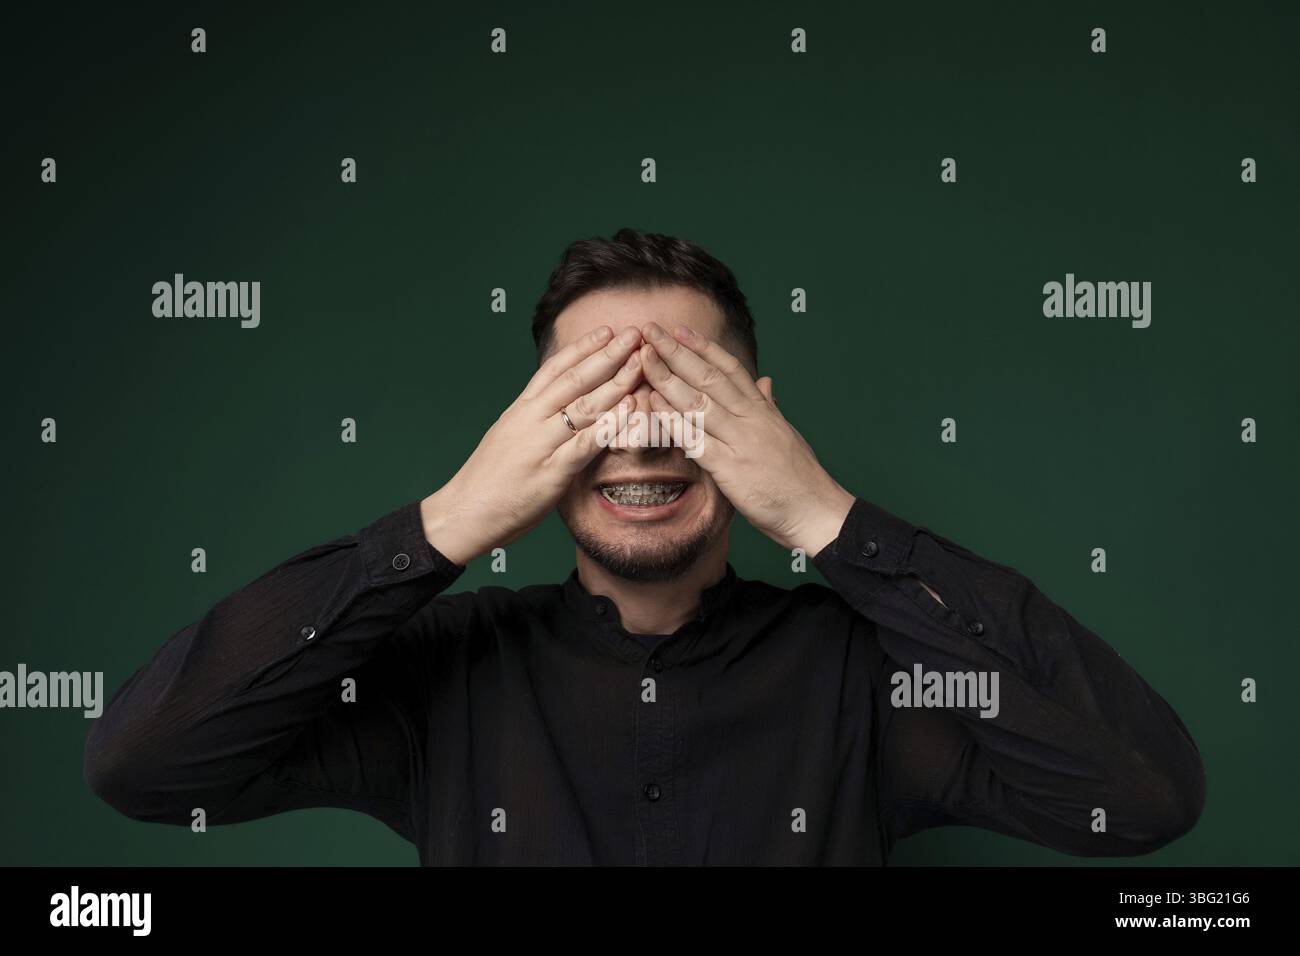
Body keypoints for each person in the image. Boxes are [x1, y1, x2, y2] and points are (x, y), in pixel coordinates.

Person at [83, 228, 1206, 865]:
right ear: (533, 423)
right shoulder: (440, 674)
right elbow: (143, 763)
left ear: (754, 415)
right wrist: (442, 525)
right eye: (594, 397)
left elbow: (1144, 795)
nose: (644, 438)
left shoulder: (866, 672)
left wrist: (832, 519)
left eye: (681, 390)